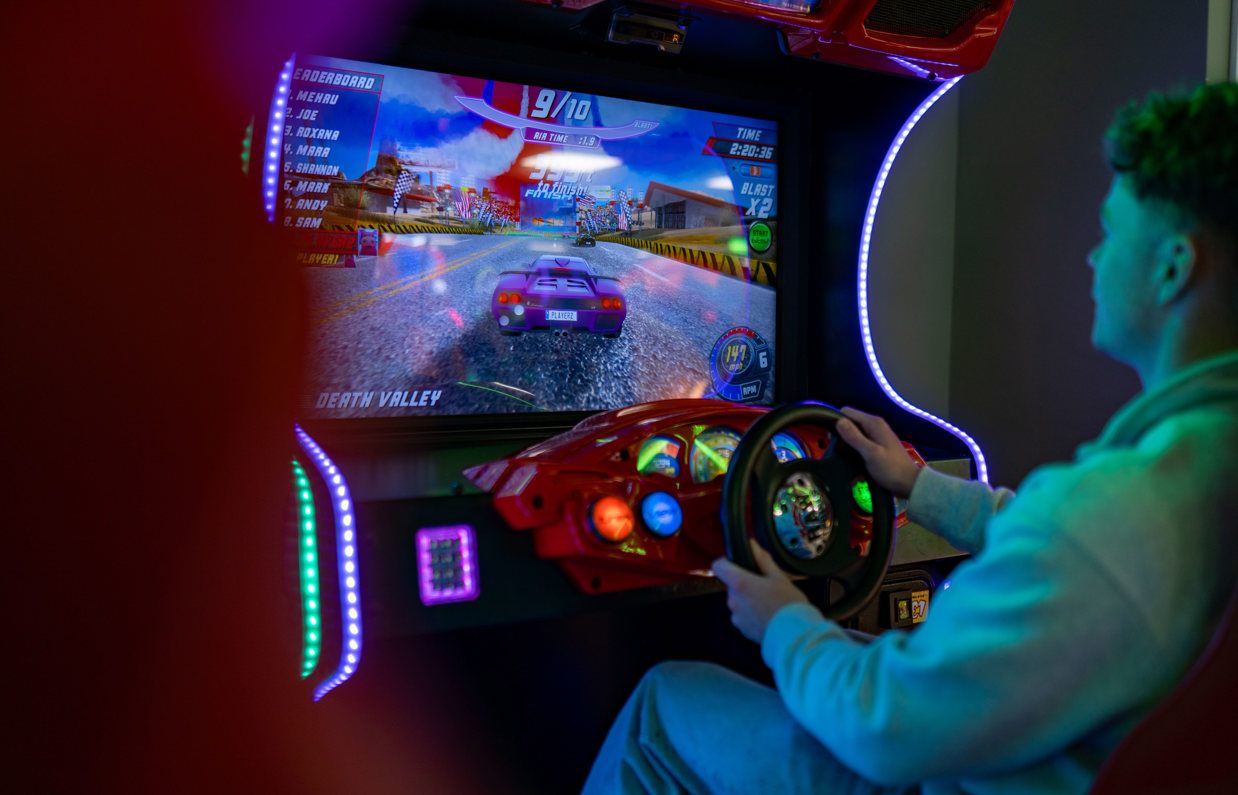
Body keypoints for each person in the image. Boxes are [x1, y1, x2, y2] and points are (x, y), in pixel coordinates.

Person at [581, 81, 1238, 795]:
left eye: (1110, 232)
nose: (1092, 259)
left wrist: (784, 623)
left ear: (1174, 266)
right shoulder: (1197, 462)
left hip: (940, 778)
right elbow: (1061, 541)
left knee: (663, 701)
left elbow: (881, 727)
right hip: (1041, 747)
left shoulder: (1118, 507)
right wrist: (916, 485)